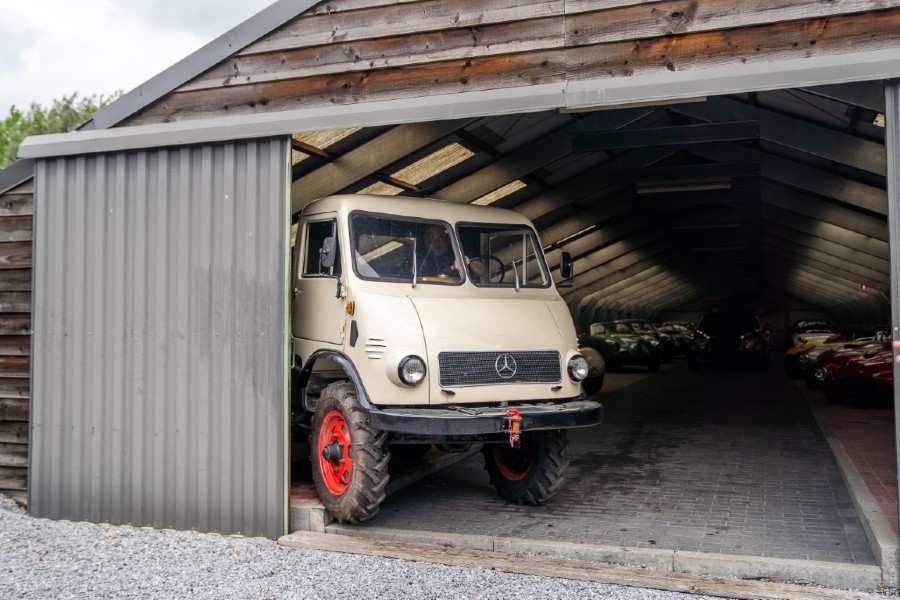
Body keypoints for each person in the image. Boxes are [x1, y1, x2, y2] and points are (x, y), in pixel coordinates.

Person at [418, 224, 485, 281]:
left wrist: (472, 265)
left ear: (448, 238)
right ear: (426, 239)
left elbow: (482, 273)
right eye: (432, 237)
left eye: (441, 237)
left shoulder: (459, 254)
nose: (437, 242)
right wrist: (452, 268)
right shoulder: (418, 258)